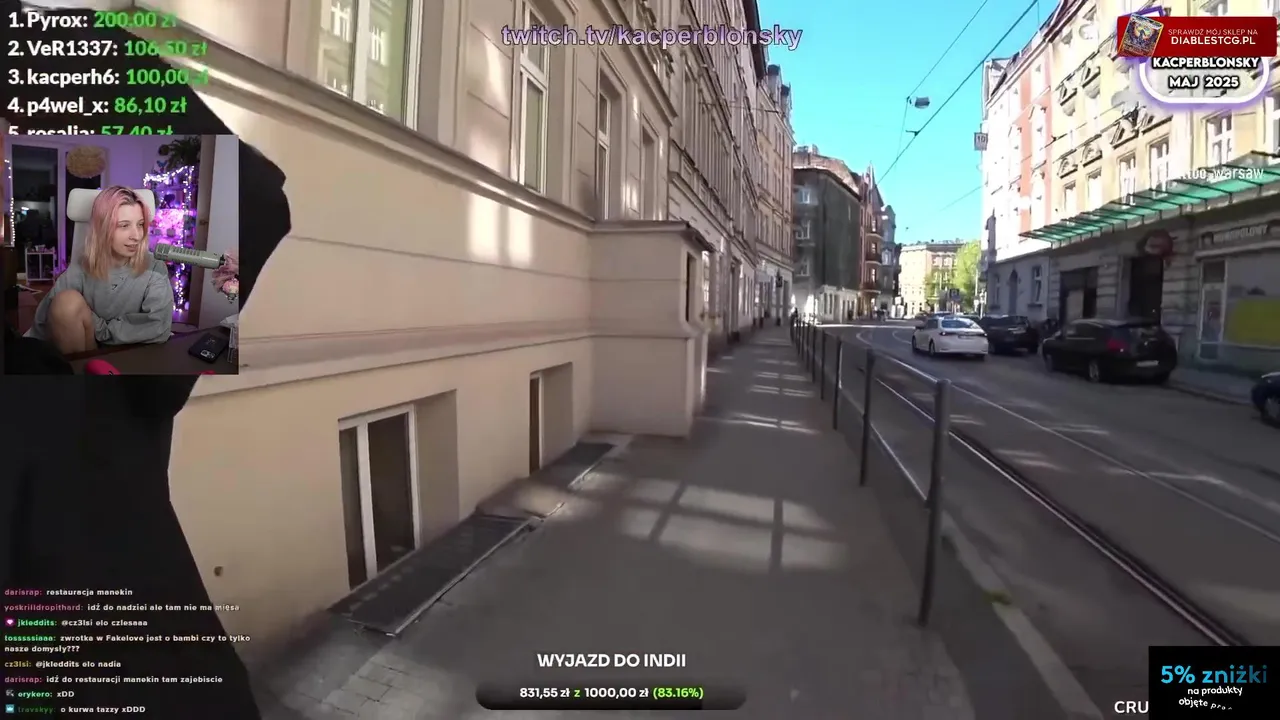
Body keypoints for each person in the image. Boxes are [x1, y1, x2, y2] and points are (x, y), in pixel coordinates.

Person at [26, 186, 174, 355]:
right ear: (102, 228)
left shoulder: (155, 268)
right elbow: (44, 320)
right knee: (66, 302)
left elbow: (158, 327)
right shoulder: (81, 268)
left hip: (133, 355)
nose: (136, 235)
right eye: (124, 225)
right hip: (89, 353)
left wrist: (101, 330)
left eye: (140, 224)